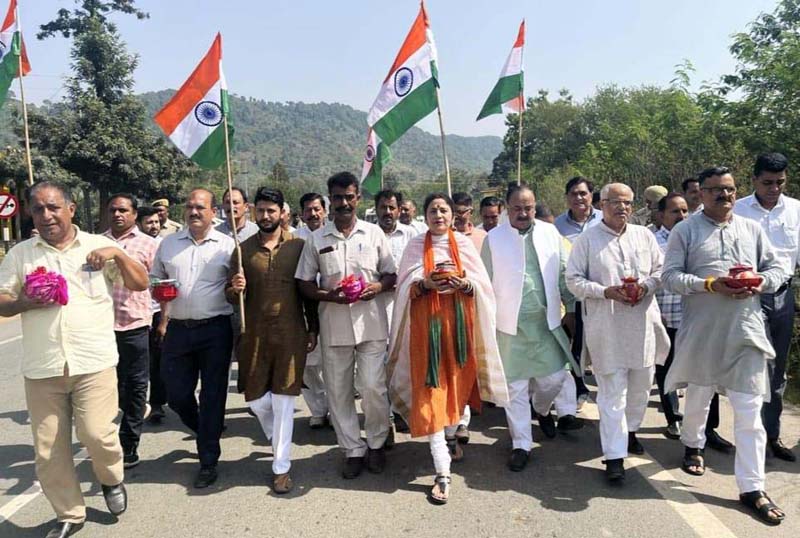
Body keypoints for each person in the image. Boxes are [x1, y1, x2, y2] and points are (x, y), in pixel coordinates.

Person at [0, 181, 149, 538]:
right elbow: (2, 300)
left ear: (71, 209)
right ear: (30, 214)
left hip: (93, 361)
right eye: (38, 209)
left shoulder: (100, 245)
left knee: (98, 434)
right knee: (49, 447)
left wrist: (120, 256)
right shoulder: (21, 254)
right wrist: (24, 302)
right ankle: (69, 512)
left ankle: (111, 478)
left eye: (53, 207)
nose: (46, 215)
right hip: (43, 366)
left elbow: (141, 283)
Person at [663, 166, 786, 526]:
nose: (724, 195)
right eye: (715, 189)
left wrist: (760, 281)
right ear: (699, 194)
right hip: (703, 330)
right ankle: (692, 445)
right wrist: (710, 284)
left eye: (729, 189)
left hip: (745, 330)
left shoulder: (752, 229)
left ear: (737, 192)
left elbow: (779, 269)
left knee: (749, 411)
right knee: (699, 395)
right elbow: (670, 277)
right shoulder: (685, 231)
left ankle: (752, 487)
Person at [388, 192, 508, 503]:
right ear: (424, 216)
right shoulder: (416, 245)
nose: (438, 215)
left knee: (455, 393)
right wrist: (426, 284)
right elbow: (404, 288)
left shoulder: (464, 244)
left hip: (458, 334)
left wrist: (464, 284)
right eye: (432, 210)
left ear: (453, 216)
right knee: (431, 399)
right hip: (426, 338)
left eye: (443, 210)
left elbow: (481, 286)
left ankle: (453, 434)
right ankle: (442, 473)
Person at [295, 172, 397, 479]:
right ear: (329, 200)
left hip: (372, 325)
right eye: (337, 198)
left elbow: (391, 275)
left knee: (372, 388)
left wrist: (376, 288)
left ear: (358, 198)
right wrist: (330, 295)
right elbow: (303, 282)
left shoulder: (374, 234)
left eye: (349, 197)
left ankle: (377, 443)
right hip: (334, 325)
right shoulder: (316, 239)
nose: (343, 203)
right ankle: (353, 449)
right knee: (338, 393)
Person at [566, 183, 669, 483]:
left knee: (639, 389)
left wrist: (646, 286)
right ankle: (614, 456)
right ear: (602, 204)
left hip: (642, 327)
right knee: (612, 394)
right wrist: (605, 291)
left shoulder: (644, 235)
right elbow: (573, 280)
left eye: (627, 202)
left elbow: (661, 271)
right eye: (615, 202)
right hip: (606, 328)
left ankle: (630, 430)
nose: (622, 208)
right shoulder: (588, 240)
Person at [482, 184, 583, 472]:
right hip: (509, 326)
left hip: (546, 323)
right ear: (507, 208)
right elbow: (485, 283)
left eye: (528, 207)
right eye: (517, 208)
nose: (524, 213)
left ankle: (541, 409)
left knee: (552, 379)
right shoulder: (494, 239)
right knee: (514, 389)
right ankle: (521, 444)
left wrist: (572, 309)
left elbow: (564, 273)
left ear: (535, 206)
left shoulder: (550, 233)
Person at [226, 188, 318, 494]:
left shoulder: (299, 246)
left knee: (283, 401)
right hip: (254, 335)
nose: (266, 216)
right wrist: (235, 287)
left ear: (282, 212)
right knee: (256, 400)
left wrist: (313, 329)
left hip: (291, 333)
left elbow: (308, 293)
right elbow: (230, 297)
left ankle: (281, 468)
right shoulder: (241, 250)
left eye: (271, 211)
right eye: (261, 211)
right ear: (254, 211)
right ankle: (278, 439)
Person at [151, 188, 236, 489]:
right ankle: (205, 430)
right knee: (176, 394)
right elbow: (156, 281)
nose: (194, 212)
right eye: (189, 206)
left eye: (201, 207)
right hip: (177, 329)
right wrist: (161, 309)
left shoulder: (228, 246)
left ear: (215, 212)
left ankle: (208, 461)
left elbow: (238, 288)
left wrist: (238, 285)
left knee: (213, 395)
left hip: (215, 329)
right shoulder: (168, 244)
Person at [734, 153, 797, 463]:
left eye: (780, 182)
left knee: (777, 369)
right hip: (747, 297)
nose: (774, 189)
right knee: (750, 365)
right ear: (754, 179)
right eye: (768, 183)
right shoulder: (738, 209)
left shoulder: (796, 210)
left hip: (784, 296)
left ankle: (771, 434)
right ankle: (747, 432)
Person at [102, 194, 159, 469]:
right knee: (112, 385)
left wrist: (164, 319)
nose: (117, 215)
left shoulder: (149, 245)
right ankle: (128, 414)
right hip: (101, 326)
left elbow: (158, 282)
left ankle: (129, 444)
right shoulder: (96, 243)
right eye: (112, 210)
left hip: (135, 324)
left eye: (123, 210)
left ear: (135, 214)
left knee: (137, 384)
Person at [653, 193, 689, 439]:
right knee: (665, 368)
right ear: (662, 215)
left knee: (697, 369)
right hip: (665, 315)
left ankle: (705, 423)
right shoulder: (652, 242)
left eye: (685, 210)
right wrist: (655, 313)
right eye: (675, 211)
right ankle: (673, 417)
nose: (682, 216)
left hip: (693, 316)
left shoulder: (695, 238)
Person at [295, 192, 330, 429]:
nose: (313, 214)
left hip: (331, 306)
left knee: (334, 363)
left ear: (325, 211)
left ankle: (336, 407)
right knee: (307, 365)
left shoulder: (333, 236)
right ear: (301, 214)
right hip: (303, 309)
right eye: (308, 210)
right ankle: (318, 409)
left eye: (317, 209)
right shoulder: (293, 240)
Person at [137, 207, 169, 424]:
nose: (154, 226)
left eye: (157, 222)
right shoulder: (128, 246)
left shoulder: (164, 246)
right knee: (137, 363)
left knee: (157, 361)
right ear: (139, 223)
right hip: (133, 313)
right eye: (149, 222)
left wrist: (165, 319)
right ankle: (135, 402)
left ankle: (157, 404)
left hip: (157, 311)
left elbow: (167, 284)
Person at [554, 176, 600, 242]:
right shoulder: (557, 225)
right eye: (574, 194)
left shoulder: (605, 219)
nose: (578, 198)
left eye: (583, 193)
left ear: (591, 195)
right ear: (567, 197)